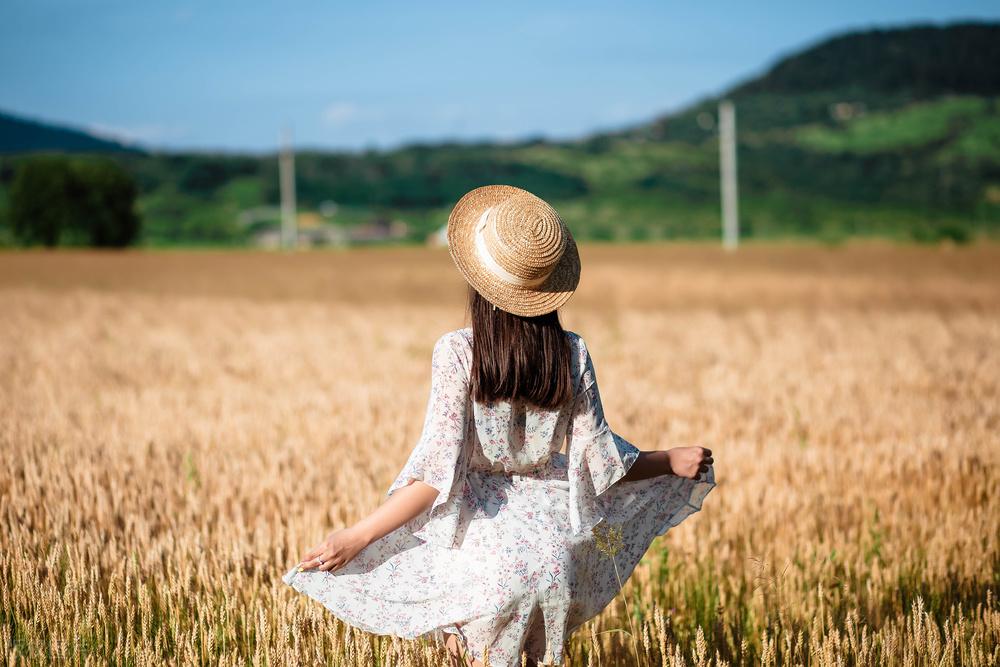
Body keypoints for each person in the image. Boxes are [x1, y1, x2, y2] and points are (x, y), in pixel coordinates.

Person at [282, 184, 716, 667]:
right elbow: (601, 463)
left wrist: (358, 536)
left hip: (483, 552)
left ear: (479, 279)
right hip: (554, 550)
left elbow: (437, 476)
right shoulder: (570, 352)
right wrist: (669, 460)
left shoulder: (458, 352)